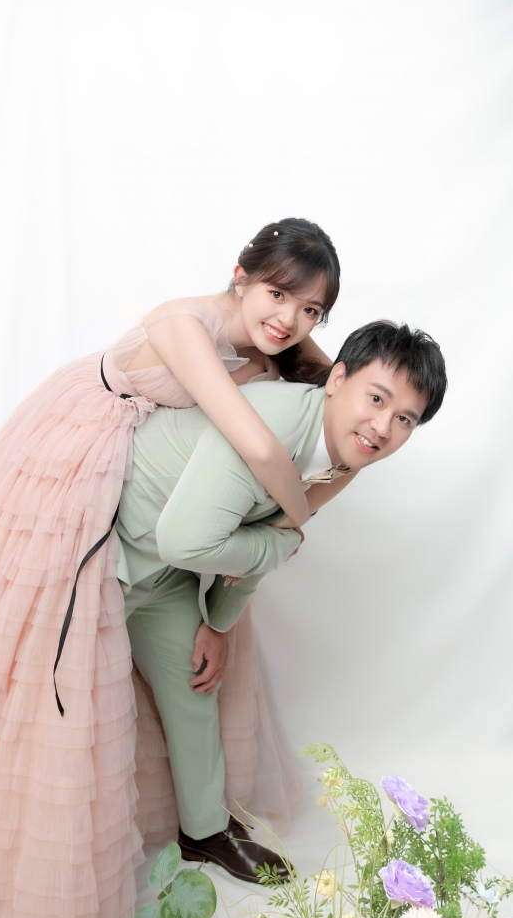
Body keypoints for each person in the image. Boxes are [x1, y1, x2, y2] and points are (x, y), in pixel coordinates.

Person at [0, 218, 342, 918]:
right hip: (77, 477)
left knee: (188, 680)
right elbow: (255, 444)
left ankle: (206, 826)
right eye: (279, 295)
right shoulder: (183, 324)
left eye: (311, 311)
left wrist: (350, 435)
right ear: (240, 274)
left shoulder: (281, 347)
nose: (290, 320)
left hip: (156, 504)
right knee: (36, 680)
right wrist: (302, 515)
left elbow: (348, 397)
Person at [119, 320, 447, 885]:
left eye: (405, 420)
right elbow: (195, 541)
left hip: (165, 579)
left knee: (195, 686)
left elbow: (265, 534)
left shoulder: (341, 462)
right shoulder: (272, 418)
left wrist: (219, 624)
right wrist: (281, 546)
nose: (382, 427)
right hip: (99, 557)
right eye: (376, 399)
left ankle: (204, 833)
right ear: (337, 379)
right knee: (60, 716)